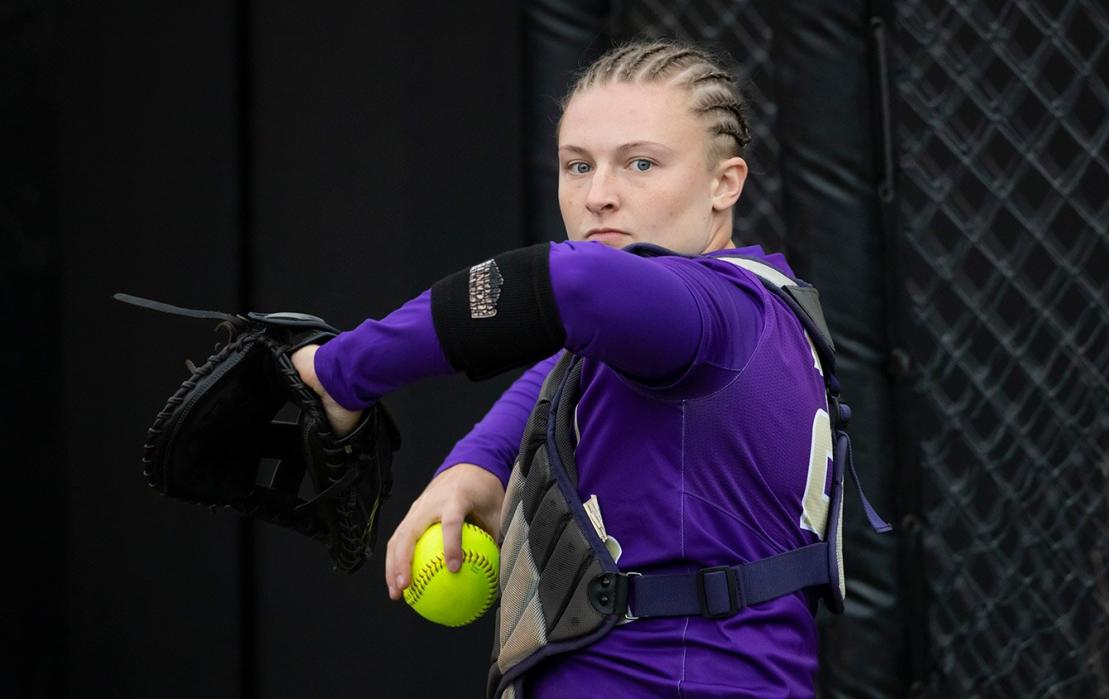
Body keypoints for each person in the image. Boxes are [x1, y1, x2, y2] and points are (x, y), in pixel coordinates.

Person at [292, 39, 840, 697]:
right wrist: (478, 465)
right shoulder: (740, 307)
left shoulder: (706, 310)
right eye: (577, 166)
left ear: (726, 182)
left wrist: (340, 371)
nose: (599, 195)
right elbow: (570, 362)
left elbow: (571, 285)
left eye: (641, 163)